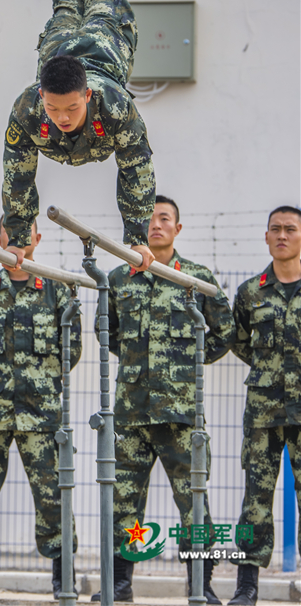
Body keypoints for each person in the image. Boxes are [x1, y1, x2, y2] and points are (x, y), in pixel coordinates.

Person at [2, 0, 155, 274]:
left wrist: (137, 235)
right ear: (42, 96)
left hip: (104, 42)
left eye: (71, 109)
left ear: (87, 97)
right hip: (61, 50)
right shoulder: (28, 109)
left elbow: (136, 166)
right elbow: (18, 174)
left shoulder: (115, 108)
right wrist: (17, 236)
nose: (62, 118)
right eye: (54, 110)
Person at [92, 196, 235, 604]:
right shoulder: (118, 279)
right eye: (148, 219)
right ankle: (119, 584)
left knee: (194, 502)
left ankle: (200, 585)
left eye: (164, 218)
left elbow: (224, 332)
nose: (156, 225)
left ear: (177, 228)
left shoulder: (196, 278)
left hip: (181, 414)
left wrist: (185, 365)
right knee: (123, 501)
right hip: (132, 413)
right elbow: (108, 332)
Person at [0, 218, 81, 600]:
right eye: (11, 230)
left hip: (41, 413)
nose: (19, 238)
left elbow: (71, 350)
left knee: (53, 495)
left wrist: (39, 381)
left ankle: (63, 577)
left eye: (26, 231)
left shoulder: (57, 292)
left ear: (37, 238)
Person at [227, 206, 301, 606]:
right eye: (276, 229)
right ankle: (246, 586)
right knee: (254, 500)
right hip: (263, 412)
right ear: (267, 236)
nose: (282, 235)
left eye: (290, 229)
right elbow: (240, 342)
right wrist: (269, 372)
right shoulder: (249, 293)